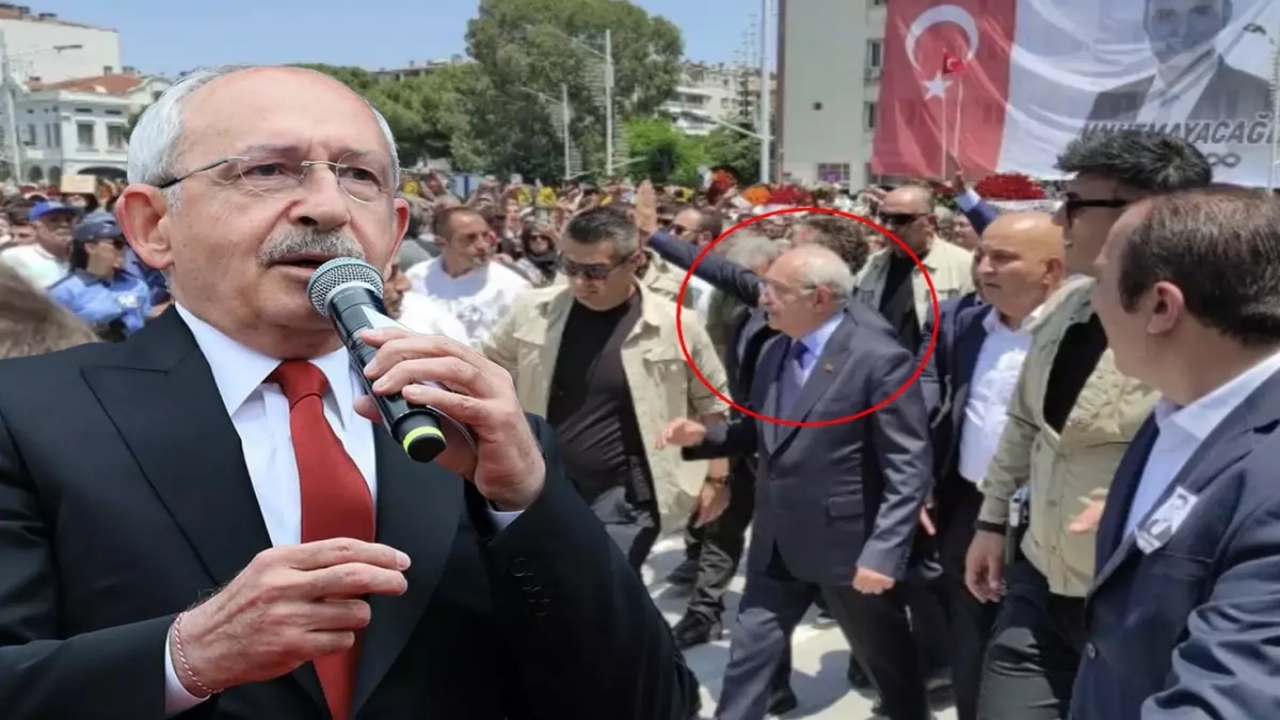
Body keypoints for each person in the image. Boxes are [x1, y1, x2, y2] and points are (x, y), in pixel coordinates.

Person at [0, 64, 695, 720]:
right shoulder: (28, 417)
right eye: (267, 170)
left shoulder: (480, 435)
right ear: (153, 226)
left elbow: (653, 702)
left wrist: (529, 505)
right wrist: (183, 657)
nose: (328, 206)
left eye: (359, 176)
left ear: (393, 235)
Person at [965, 129, 1212, 720]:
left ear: (1141, 213)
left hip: (1140, 596)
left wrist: (1152, 499)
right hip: (1039, 578)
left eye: (1075, 203)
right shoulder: (1070, 309)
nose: (1059, 216)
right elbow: (1025, 424)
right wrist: (992, 520)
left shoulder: (1212, 329)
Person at [661, 244, 934, 720]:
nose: (763, 298)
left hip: (847, 548)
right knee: (749, 654)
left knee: (887, 658)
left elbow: (908, 464)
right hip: (775, 541)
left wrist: (884, 552)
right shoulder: (775, 350)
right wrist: (704, 436)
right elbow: (760, 430)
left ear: (821, 297)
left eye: (776, 289)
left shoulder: (878, 359)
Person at [1072, 187, 1280, 719]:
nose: (1090, 300)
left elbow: (1231, 698)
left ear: (1161, 306)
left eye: (1099, 281)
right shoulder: (1181, 407)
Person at [925, 212, 1067, 720]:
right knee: (970, 635)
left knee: (1032, 647)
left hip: (1052, 517)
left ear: (1052, 269)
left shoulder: (1084, 332)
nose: (983, 266)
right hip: (969, 506)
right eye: (981, 254)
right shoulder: (963, 323)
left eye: (1002, 257)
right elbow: (939, 409)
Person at [1087, 0, 1269, 124]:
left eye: (1200, 13)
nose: (1182, 31)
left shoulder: (1262, 99)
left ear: (1224, 18)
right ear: (1146, 22)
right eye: (1165, 16)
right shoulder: (1110, 103)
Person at [47, 215, 156, 341]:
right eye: (117, 244)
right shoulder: (63, 292)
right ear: (91, 248)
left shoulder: (136, 285)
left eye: (125, 245)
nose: (124, 250)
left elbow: (145, 322)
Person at [0, 200, 78, 288]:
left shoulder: (86, 256)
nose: (64, 224)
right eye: (54, 220)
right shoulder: (13, 257)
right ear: (34, 227)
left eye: (69, 220)